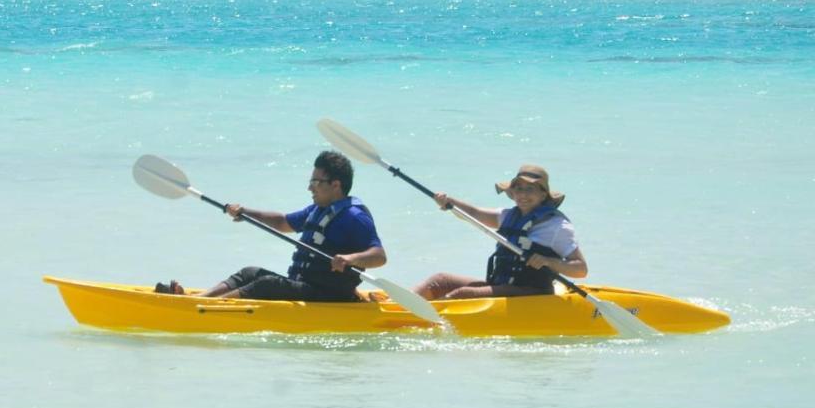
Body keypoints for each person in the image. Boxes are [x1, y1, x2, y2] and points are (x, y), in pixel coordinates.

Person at [156, 151, 386, 301]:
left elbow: (379, 256)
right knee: (250, 273)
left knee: (267, 285)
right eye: (311, 182)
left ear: (336, 185)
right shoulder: (317, 210)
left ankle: (208, 308)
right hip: (305, 286)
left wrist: (350, 259)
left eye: (316, 182)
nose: (310, 188)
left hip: (329, 294)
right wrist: (246, 212)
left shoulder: (354, 216)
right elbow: (282, 222)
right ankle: (200, 300)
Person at [412, 164, 587, 300]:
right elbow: (473, 213)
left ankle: (427, 318)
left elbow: (580, 269)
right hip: (502, 286)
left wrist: (548, 261)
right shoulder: (507, 215)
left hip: (533, 292)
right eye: (519, 189)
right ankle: (399, 306)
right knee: (441, 280)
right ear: (512, 192)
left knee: (463, 294)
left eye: (530, 189)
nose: (523, 194)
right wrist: (448, 201)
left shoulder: (557, 226)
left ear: (543, 195)